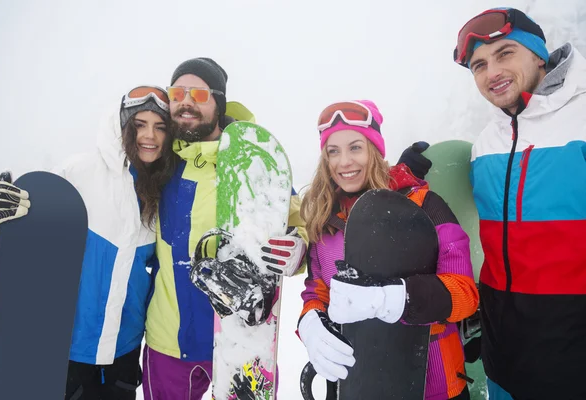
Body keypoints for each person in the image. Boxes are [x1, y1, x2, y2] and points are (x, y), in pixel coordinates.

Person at [0, 85, 176, 400]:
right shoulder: (81, 172)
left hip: (123, 355)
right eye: (139, 124)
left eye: (159, 127)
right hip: (64, 351)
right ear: (123, 127)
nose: (150, 136)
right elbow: (31, 226)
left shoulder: (163, 190)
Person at [142, 57, 308, 400]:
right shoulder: (157, 163)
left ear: (219, 102)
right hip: (167, 340)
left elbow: (299, 223)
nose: (186, 101)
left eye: (199, 94)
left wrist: (298, 249)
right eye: (177, 92)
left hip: (243, 340)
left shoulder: (254, 161)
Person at [298, 100, 479, 400]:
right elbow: (318, 290)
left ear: (375, 150)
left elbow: (464, 294)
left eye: (355, 147)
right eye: (334, 151)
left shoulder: (424, 206)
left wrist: (392, 298)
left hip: (433, 384)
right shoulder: (325, 218)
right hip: (358, 381)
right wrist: (310, 321)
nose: (344, 162)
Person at [452, 7, 586, 400]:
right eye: (479, 65)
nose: (492, 72)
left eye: (505, 53)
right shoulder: (485, 144)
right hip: (503, 365)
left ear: (538, 54)